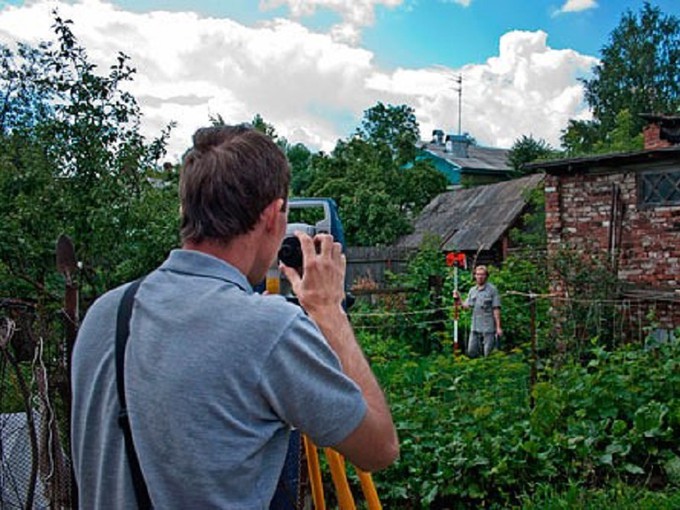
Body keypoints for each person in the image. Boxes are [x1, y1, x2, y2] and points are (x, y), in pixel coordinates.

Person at [71, 125, 399, 509]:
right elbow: (379, 448)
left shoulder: (104, 314)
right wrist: (329, 311)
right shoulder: (270, 331)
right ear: (274, 217)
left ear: (185, 210)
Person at [453, 265, 502, 358]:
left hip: (488, 326)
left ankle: (489, 368)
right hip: (475, 325)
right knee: (471, 351)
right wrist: (458, 299)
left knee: (489, 353)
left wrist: (498, 327)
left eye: (482, 275)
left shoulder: (492, 290)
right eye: (478, 274)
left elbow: (496, 308)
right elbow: (466, 306)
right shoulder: (472, 290)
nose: (480, 277)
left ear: (486, 276)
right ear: (475, 276)